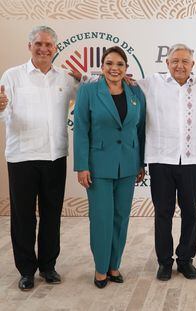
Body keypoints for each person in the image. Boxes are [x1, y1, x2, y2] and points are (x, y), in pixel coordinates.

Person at [0, 26, 81, 291]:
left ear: (55, 48)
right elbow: (3, 111)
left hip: (55, 155)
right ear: (29, 46)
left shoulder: (66, 80)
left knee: (52, 214)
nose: (43, 49)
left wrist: (94, 80)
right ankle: (26, 270)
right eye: (38, 44)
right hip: (22, 156)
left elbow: (89, 99)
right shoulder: (12, 76)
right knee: (23, 217)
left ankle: (48, 266)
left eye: (48, 45)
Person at [137, 44, 196, 281]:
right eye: (175, 61)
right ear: (167, 63)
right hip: (161, 159)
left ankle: (185, 260)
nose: (180, 65)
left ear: (193, 65)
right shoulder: (151, 83)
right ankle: (164, 262)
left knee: (190, 212)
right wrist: (85, 78)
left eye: (185, 61)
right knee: (163, 212)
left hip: (192, 160)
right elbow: (121, 82)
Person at [73, 46, 146, 288]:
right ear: (102, 67)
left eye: (120, 64)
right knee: (102, 218)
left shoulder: (136, 93)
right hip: (97, 167)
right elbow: (81, 129)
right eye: (109, 63)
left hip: (127, 165)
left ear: (126, 68)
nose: (114, 68)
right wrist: (82, 166)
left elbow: (140, 130)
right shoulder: (89, 91)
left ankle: (115, 265)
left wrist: (140, 164)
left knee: (121, 218)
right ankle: (101, 268)